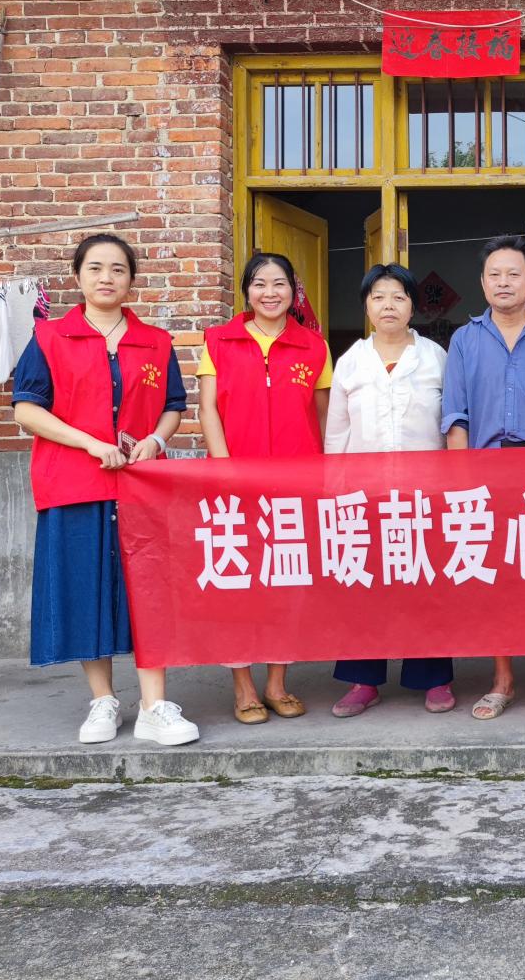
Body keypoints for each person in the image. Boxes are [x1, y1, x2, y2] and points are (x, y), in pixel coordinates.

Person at [11, 233, 199, 746]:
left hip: (143, 487)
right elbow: (27, 409)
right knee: (84, 588)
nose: (106, 278)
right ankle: (103, 701)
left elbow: (174, 406)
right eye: (95, 268)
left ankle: (155, 706)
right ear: (78, 276)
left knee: (150, 591)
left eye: (118, 269)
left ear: (131, 279)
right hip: (73, 483)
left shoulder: (155, 342)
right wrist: (91, 443)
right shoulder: (50, 337)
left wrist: (156, 441)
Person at [441, 235, 525, 720]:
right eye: (494, 274)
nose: (504, 282)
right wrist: (461, 483)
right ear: (483, 283)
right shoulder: (465, 340)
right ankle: (501, 679)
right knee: (495, 578)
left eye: (513, 274)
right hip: (485, 472)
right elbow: (456, 417)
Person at [198, 251, 331, 724]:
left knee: (286, 582)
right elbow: (207, 410)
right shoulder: (218, 341)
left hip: (295, 486)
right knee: (238, 585)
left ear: (293, 291)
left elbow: (323, 417)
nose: (269, 293)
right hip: (234, 486)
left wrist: (321, 476)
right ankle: (243, 686)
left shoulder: (314, 347)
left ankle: (277, 683)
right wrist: (224, 471)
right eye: (259, 284)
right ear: (246, 291)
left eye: (279, 284)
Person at [324, 263, 456, 718]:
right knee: (365, 586)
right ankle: (363, 681)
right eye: (378, 297)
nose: (388, 305)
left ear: (413, 306)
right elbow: (337, 434)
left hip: (425, 495)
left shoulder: (436, 357)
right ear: (366, 305)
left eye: (399, 297)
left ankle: (433, 678)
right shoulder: (350, 361)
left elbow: (452, 424)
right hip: (364, 496)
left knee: (425, 584)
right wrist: (336, 496)